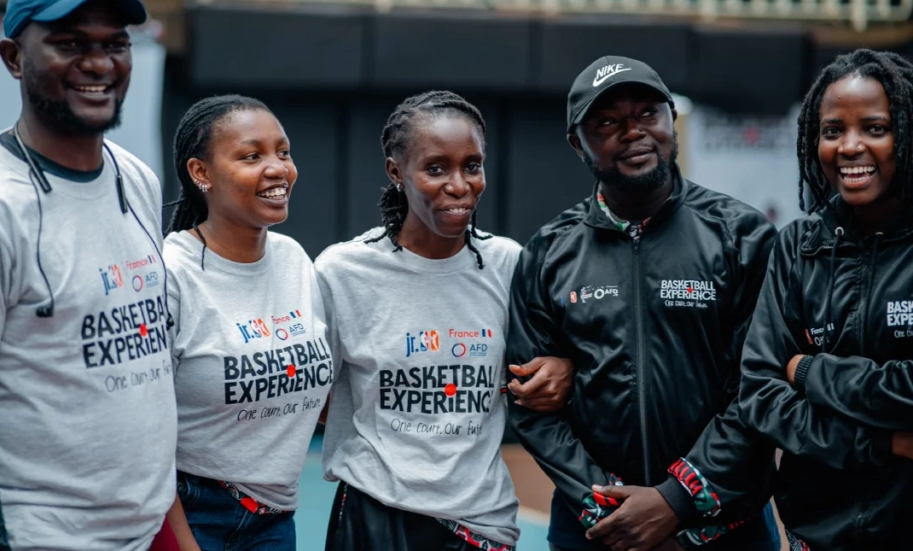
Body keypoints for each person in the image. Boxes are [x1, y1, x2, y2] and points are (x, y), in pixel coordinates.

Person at [0, 0, 177, 550]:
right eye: (69, 44)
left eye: (115, 44)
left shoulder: (135, 178)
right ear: (13, 58)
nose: (99, 63)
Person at [506, 56, 782, 551]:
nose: (633, 133)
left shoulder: (742, 236)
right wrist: (613, 511)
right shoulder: (548, 253)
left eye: (647, 114)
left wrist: (677, 499)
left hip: (725, 526)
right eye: (608, 123)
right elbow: (531, 407)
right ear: (577, 143)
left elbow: (761, 388)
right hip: (598, 529)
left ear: (671, 119)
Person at [316, 91, 574, 551]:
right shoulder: (342, 272)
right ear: (396, 172)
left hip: (480, 521)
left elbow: (546, 364)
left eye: (471, 166)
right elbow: (313, 398)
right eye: (436, 168)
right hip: (375, 518)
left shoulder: (508, 263)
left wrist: (562, 368)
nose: (459, 184)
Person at [739, 49, 913, 549]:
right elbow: (760, 393)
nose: (850, 146)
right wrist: (884, 441)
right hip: (818, 535)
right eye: (833, 131)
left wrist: (812, 372)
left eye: (875, 128)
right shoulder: (798, 247)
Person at [161, 95, 333, 551]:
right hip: (190, 510)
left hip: (275, 518)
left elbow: (313, 395)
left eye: (283, 151)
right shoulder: (170, 275)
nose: (278, 168)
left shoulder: (294, 259)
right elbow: (142, 433)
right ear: (201, 173)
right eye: (252, 156)